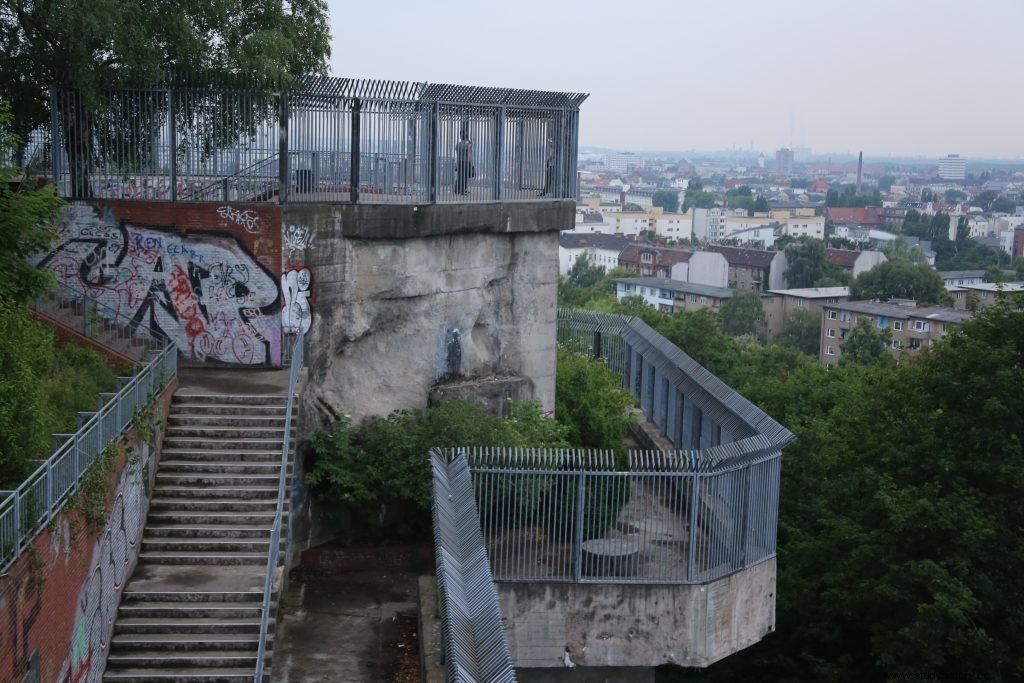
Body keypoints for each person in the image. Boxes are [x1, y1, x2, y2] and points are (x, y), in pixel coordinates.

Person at [455, 130, 473, 195]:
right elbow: (468, 153)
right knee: (465, 177)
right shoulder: (467, 144)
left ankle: (457, 190)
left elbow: (457, 152)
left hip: (459, 161)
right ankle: (463, 190)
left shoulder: (458, 144)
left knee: (459, 176)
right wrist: (470, 162)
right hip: (465, 162)